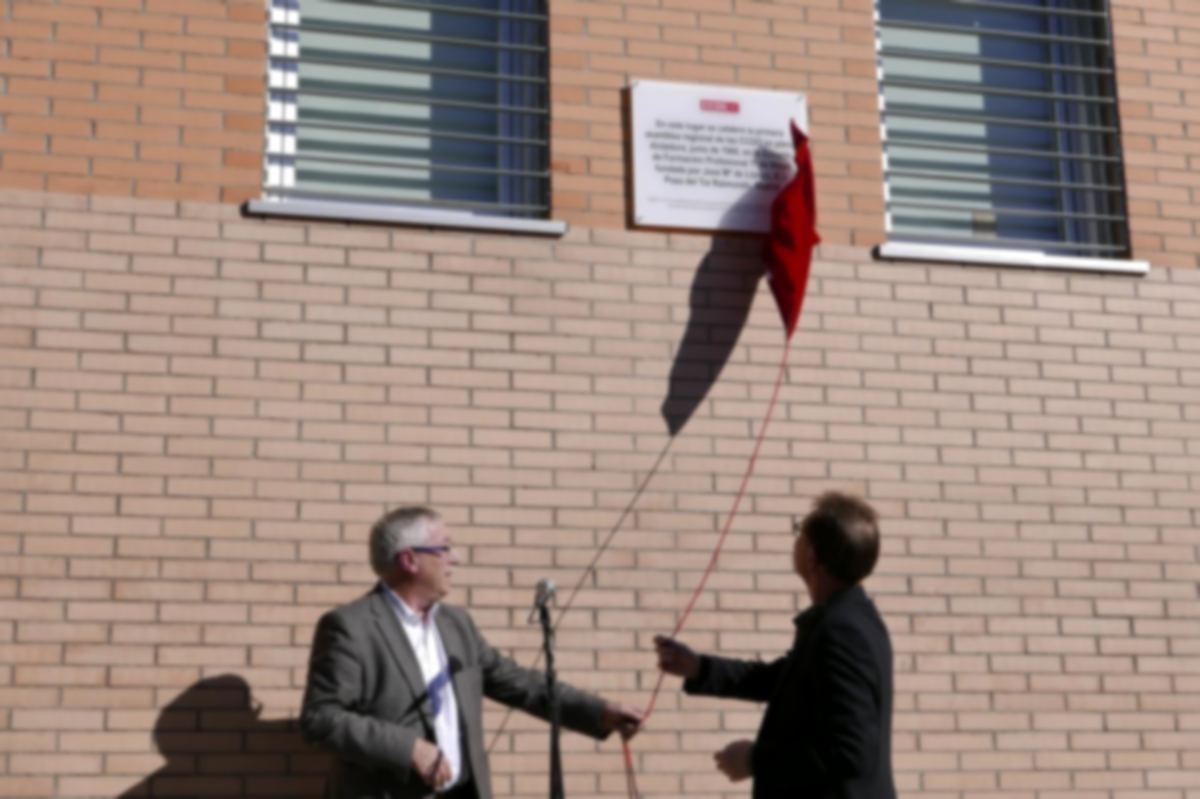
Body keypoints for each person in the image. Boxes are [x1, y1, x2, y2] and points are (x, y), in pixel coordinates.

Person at [301, 506, 643, 799]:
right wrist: (409, 748)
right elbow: (321, 718)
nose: (455, 558)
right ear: (409, 560)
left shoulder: (456, 624)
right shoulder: (350, 625)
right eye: (444, 548)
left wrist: (599, 712)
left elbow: (519, 683)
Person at [655, 491, 895, 798]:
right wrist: (699, 668)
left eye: (799, 533)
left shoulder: (842, 631)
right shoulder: (847, 620)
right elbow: (782, 680)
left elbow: (849, 753)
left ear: (811, 558)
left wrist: (755, 760)